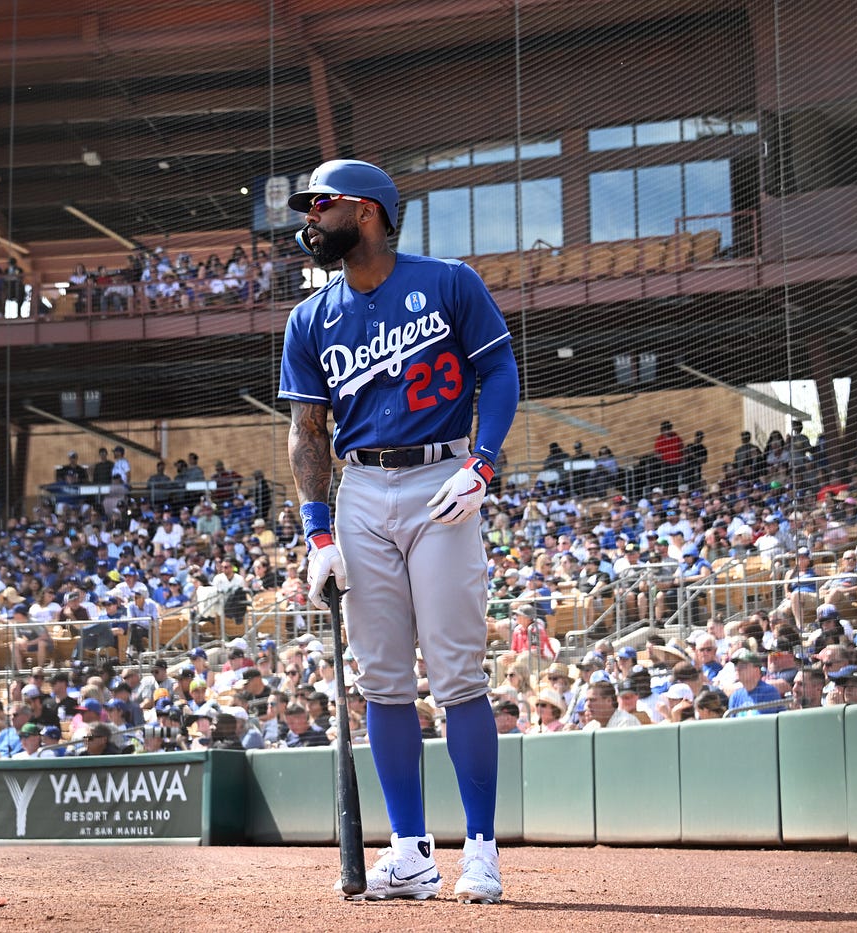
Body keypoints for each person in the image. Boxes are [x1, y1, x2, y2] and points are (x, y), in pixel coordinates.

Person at [278, 159, 519, 903]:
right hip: (361, 490)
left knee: (456, 676)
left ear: (369, 212)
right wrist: (318, 533)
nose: (310, 218)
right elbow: (306, 431)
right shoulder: (310, 316)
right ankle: (410, 852)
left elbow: (501, 372)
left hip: (441, 479)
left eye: (322, 205)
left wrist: (481, 464)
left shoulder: (449, 281)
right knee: (380, 682)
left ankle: (481, 851)